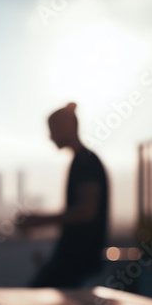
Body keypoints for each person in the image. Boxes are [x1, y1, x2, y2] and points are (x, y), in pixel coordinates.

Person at [19, 103, 108, 288]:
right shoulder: (83, 161)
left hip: (77, 261)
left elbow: (86, 212)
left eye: (52, 130)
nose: (50, 136)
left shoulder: (86, 162)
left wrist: (38, 221)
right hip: (74, 261)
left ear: (66, 127)